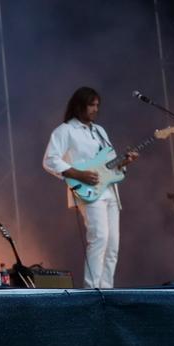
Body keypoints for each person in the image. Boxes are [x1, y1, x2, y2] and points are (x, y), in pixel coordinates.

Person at [42, 87, 135, 289]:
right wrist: (78, 173)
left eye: (97, 105)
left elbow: (110, 164)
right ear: (79, 105)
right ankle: (91, 290)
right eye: (91, 105)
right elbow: (50, 160)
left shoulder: (100, 131)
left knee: (112, 246)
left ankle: (107, 290)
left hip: (109, 191)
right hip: (89, 192)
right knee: (99, 238)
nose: (95, 109)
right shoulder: (65, 130)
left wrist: (124, 162)